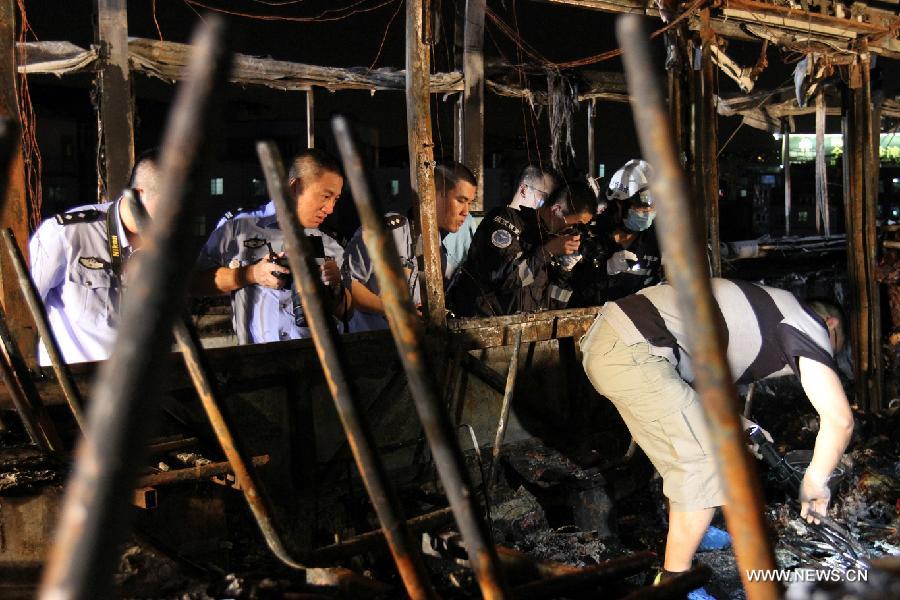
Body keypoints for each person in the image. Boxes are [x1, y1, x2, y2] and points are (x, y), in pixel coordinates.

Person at [580, 279, 853, 595]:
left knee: (703, 446)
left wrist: (742, 426)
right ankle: (674, 584)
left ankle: (696, 527)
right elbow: (840, 421)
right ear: (830, 324)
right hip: (634, 352)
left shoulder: (770, 312)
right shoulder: (808, 324)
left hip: (628, 347)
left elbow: (700, 386)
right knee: (703, 464)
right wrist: (816, 481)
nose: (824, 357)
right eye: (834, 347)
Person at [193, 148, 350, 344]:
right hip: (258, 361)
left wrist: (334, 288)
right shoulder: (238, 228)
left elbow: (347, 311)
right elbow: (195, 282)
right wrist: (252, 274)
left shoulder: (332, 242)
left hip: (319, 361)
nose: (330, 209)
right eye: (325, 196)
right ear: (295, 187)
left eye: (335, 199)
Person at [29, 149, 163, 364]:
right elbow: (19, 312)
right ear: (138, 195)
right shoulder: (67, 234)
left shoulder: (167, 245)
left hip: (142, 384)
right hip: (75, 387)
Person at [341, 162, 476, 332]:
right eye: (461, 200)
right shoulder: (388, 231)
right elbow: (346, 284)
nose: (466, 211)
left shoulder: (439, 251)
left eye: (470, 203)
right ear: (434, 194)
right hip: (367, 346)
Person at [447, 178, 598, 317]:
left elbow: (555, 306)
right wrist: (547, 251)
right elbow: (507, 280)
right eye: (575, 225)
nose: (573, 232)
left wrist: (564, 271)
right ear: (556, 210)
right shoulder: (506, 220)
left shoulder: (551, 242)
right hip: (483, 331)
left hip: (526, 337)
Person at [571, 159, 662, 307]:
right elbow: (574, 289)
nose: (647, 213)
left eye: (651, 208)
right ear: (620, 204)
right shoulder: (591, 237)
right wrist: (604, 269)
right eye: (641, 207)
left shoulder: (655, 242)